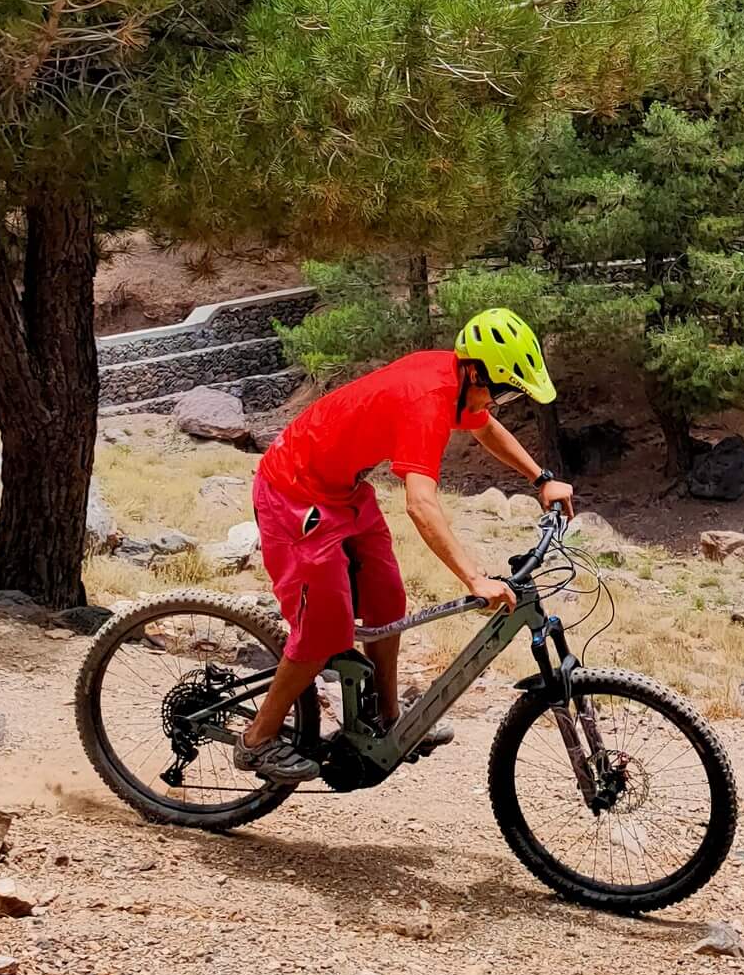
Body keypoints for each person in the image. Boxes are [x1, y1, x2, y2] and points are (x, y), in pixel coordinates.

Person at [234, 310, 575, 781]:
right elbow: (420, 504)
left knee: (388, 601)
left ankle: (389, 721)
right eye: (504, 390)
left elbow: (481, 423)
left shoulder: (457, 377)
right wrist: (474, 577)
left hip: (342, 491)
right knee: (323, 627)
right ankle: (258, 741)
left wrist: (541, 479)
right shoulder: (428, 399)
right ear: (476, 371)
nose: (502, 402)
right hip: (293, 492)